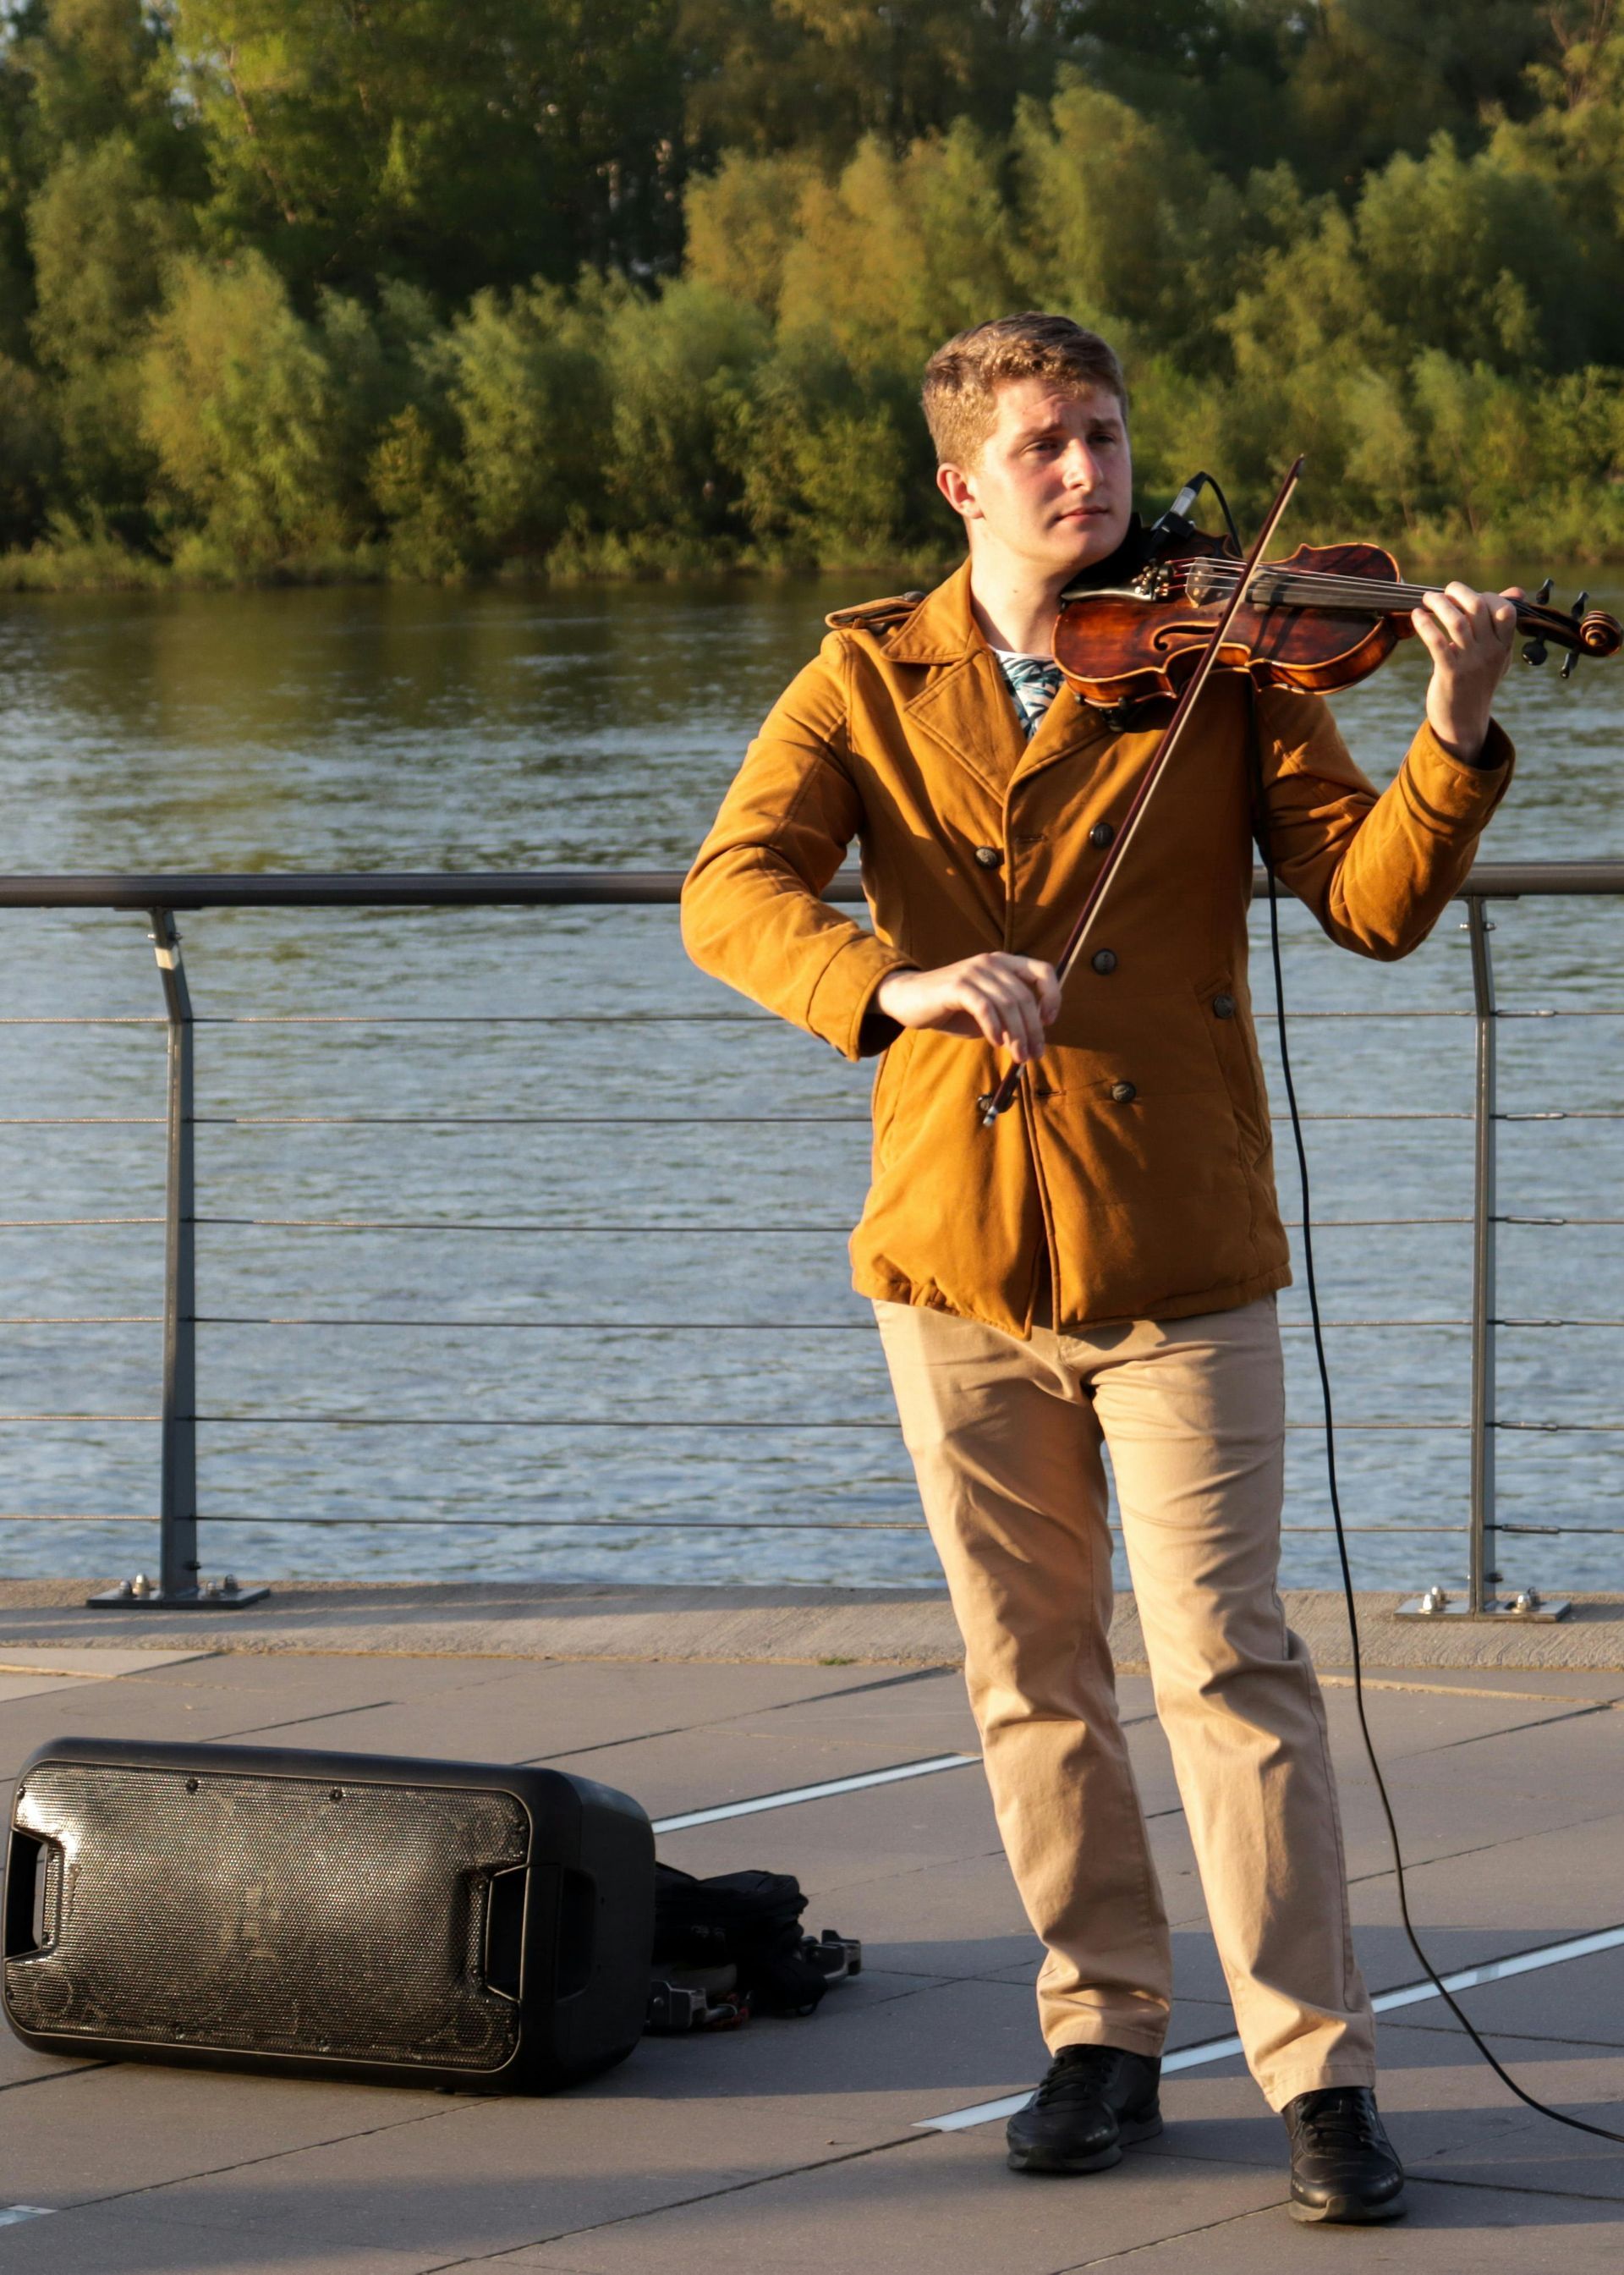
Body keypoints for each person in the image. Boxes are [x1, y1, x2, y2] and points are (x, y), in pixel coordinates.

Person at [680, 313, 1519, 2225]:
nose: (1091, 472)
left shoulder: (1229, 667)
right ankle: (1105, 2029)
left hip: (1177, 1247)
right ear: (964, 480)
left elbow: (1373, 903)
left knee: (1229, 1659)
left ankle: (1320, 2074)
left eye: (1110, 435)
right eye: (1047, 445)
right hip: (954, 1256)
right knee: (1029, 1670)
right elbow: (730, 890)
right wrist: (883, 983)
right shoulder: (863, 675)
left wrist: (1452, 733)